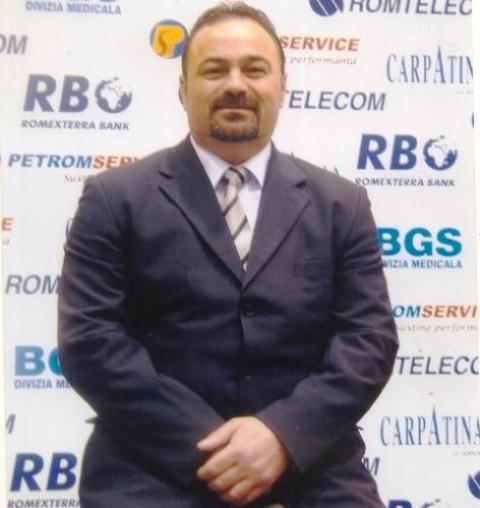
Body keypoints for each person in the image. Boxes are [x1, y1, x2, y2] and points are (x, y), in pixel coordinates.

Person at [58, 2, 398, 507]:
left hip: (310, 468)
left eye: (254, 69)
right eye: (214, 70)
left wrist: (281, 437)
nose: (235, 84)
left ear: (282, 86)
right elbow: (92, 342)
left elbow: (368, 340)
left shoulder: (341, 205)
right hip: (153, 470)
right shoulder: (114, 199)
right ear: (183, 88)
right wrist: (224, 454)